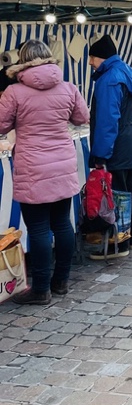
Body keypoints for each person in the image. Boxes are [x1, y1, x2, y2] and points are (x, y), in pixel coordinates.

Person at [0, 40, 89, 304]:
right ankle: (61, 281)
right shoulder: (68, 87)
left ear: (22, 60)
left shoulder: (14, 91)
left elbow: (1, 125)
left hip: (32, 166)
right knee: (62, 223)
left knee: (38, 228)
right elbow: (81, 118)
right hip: (62, 163)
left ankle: (40, 290)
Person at [88, 35, 132, 258]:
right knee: (129, 190)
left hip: (116, 145)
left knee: (118, 195)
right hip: (130, 142)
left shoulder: (109, 79)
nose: (90, 62)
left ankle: (119, 245)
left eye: (92, 57)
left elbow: (107, 121)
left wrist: (100, 155)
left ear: (101, 57)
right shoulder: (127, 71)